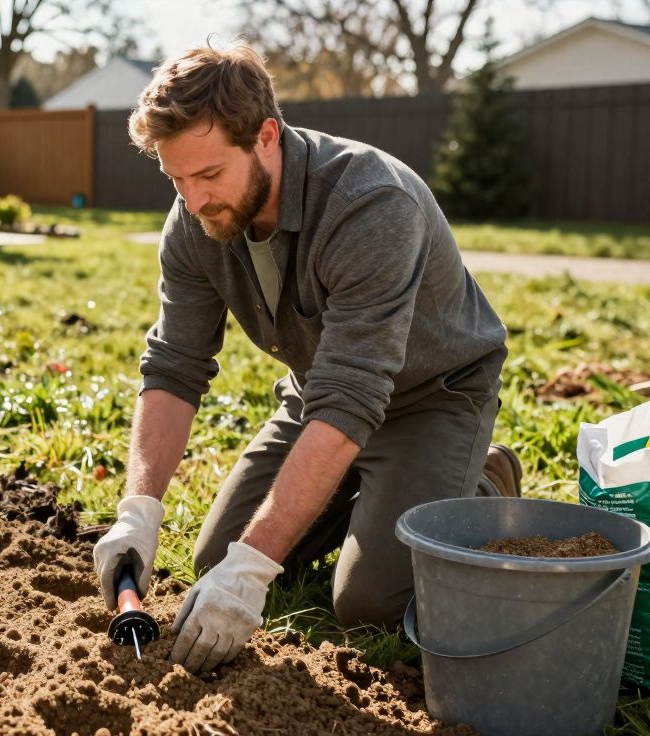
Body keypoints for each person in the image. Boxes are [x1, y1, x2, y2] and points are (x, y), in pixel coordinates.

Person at [92, 44, 521, 674]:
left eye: (209, 174)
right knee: (216, 561)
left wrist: (256, 565)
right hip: (320, 390)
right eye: (175, 178)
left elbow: (356, 396)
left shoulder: (371, 204)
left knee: (373, 602)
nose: (193, 199)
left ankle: (483, 480)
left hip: (431, 396)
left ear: (266, 135)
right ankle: (369, 499)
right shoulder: (193, 220)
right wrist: (139, 509)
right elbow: (174, 365)